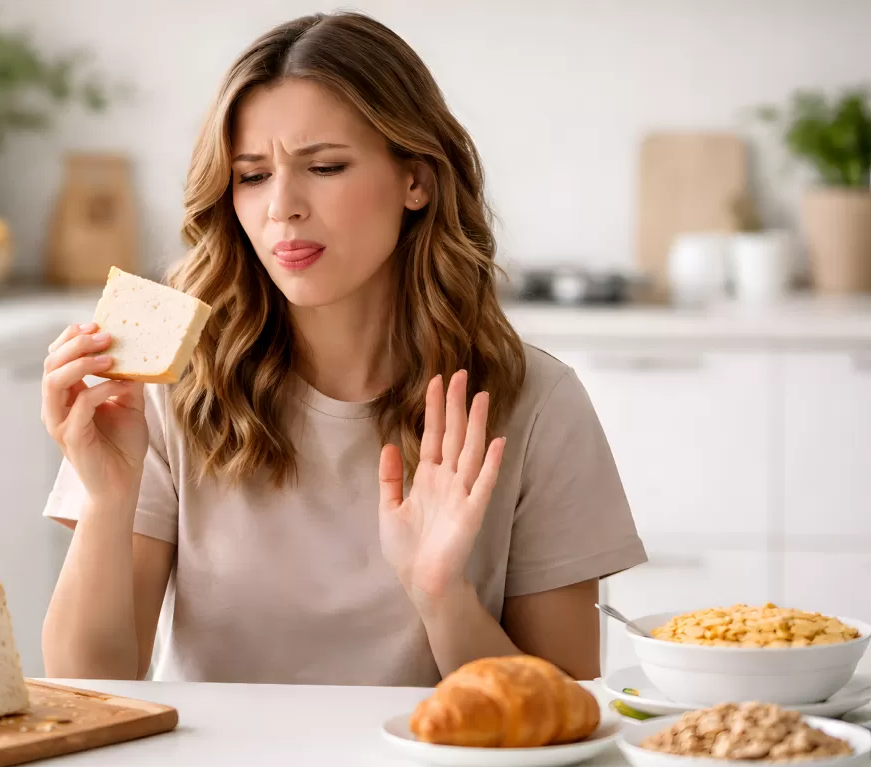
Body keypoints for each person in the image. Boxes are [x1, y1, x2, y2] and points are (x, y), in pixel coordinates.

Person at [39, 11, 646, 687]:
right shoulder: (164, 384)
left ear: (416, 179)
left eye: (324, 166)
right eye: (251, 175)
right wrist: (106, 497)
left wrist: (442, 596)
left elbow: (562, 708)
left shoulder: (536, 403)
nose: (283, 208)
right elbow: (88, 688)